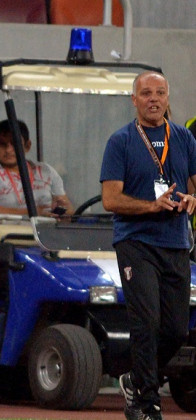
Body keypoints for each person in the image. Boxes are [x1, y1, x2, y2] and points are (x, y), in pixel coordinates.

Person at [101, 71, 196, 420]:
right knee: (147, 323)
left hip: (175, 242)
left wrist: (190, 199)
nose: (153, 99)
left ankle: (136, 379)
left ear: (168, 98)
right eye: (146, 93)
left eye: (159, 93)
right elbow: (110, 199)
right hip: (136, 242)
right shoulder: (121, 141)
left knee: (175, 330)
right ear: (134, 100)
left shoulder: (184, 138)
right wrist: (151, 206)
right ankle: (146, 404)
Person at [0, 119, 74, 217]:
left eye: (14, 144)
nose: (8, 150)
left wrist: (60, 210)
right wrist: (33, 213)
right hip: (8, 231)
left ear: (27, 146)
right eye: (2, 144)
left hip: (47, 230)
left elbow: (69, 212)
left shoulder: (46, 171)